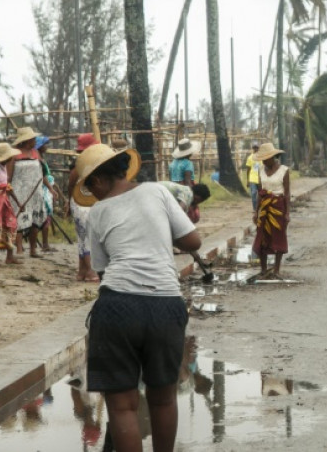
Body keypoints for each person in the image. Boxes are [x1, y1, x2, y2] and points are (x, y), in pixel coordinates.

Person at [73, 143, 201, 452]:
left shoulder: (98, 212)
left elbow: (102, 272)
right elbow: (193, 240)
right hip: (165, 305)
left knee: (122, 406)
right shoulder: (156, 192)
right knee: (163, 398)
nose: (92, 194)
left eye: (91, 186)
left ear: (100, 181)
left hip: (117, 306)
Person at [251, 143, 290, 278]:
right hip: (264, 207)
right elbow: (259, 192)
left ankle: (276, 270)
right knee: (262, 236)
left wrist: (287, 213)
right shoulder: (260, 170)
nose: (264, 161)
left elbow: (287, 193)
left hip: (278, 207)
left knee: (278, 236)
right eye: (262, 159)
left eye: (265, 158)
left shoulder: (284, 170)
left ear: (272, 157)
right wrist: (256, 211)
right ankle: (263, 269)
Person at [10, 127, 48, 257]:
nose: (35, 141)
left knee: (36, 219)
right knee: (20, 219)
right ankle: (19, 249)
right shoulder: (14, 154)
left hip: (35, 192)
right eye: (33, 139)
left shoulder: (35, 153)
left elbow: (41, 173)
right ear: (26, 140)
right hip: (19, 192)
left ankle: (33, 249)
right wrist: (9, 191)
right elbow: (9, 176)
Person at [67, 133, 100, 282]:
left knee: (82, 237)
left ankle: (82, 271)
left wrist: (69, 201)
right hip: (83, 203)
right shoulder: (81, 165)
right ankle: (92, 271)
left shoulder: (80, 163)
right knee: (88, 236)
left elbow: (70, 185)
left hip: (80, 202)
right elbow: (71, 185)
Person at [35, 135, 62, 252]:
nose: (47, 146)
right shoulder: (38, 160)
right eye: (45, 144)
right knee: (42, 217)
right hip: (41, 191)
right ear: (40, 146)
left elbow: (48, 177)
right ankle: (42, 245)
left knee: (45, 217)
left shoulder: (41, 159)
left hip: (46, 190)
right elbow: (43, 177)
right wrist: (51, 189)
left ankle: (44, 244)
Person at [243, 142, 261, 211]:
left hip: (260, 178)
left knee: (261, 193)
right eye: (254, 148)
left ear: (258, 148)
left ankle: (261, 207)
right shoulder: (250, 158)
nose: (256, 149)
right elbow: (248, 169)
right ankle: (255, 208)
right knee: (253, 193)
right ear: (253, 148)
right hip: (252, 178)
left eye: (257, 147)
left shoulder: (262, 157)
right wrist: (247, 180)